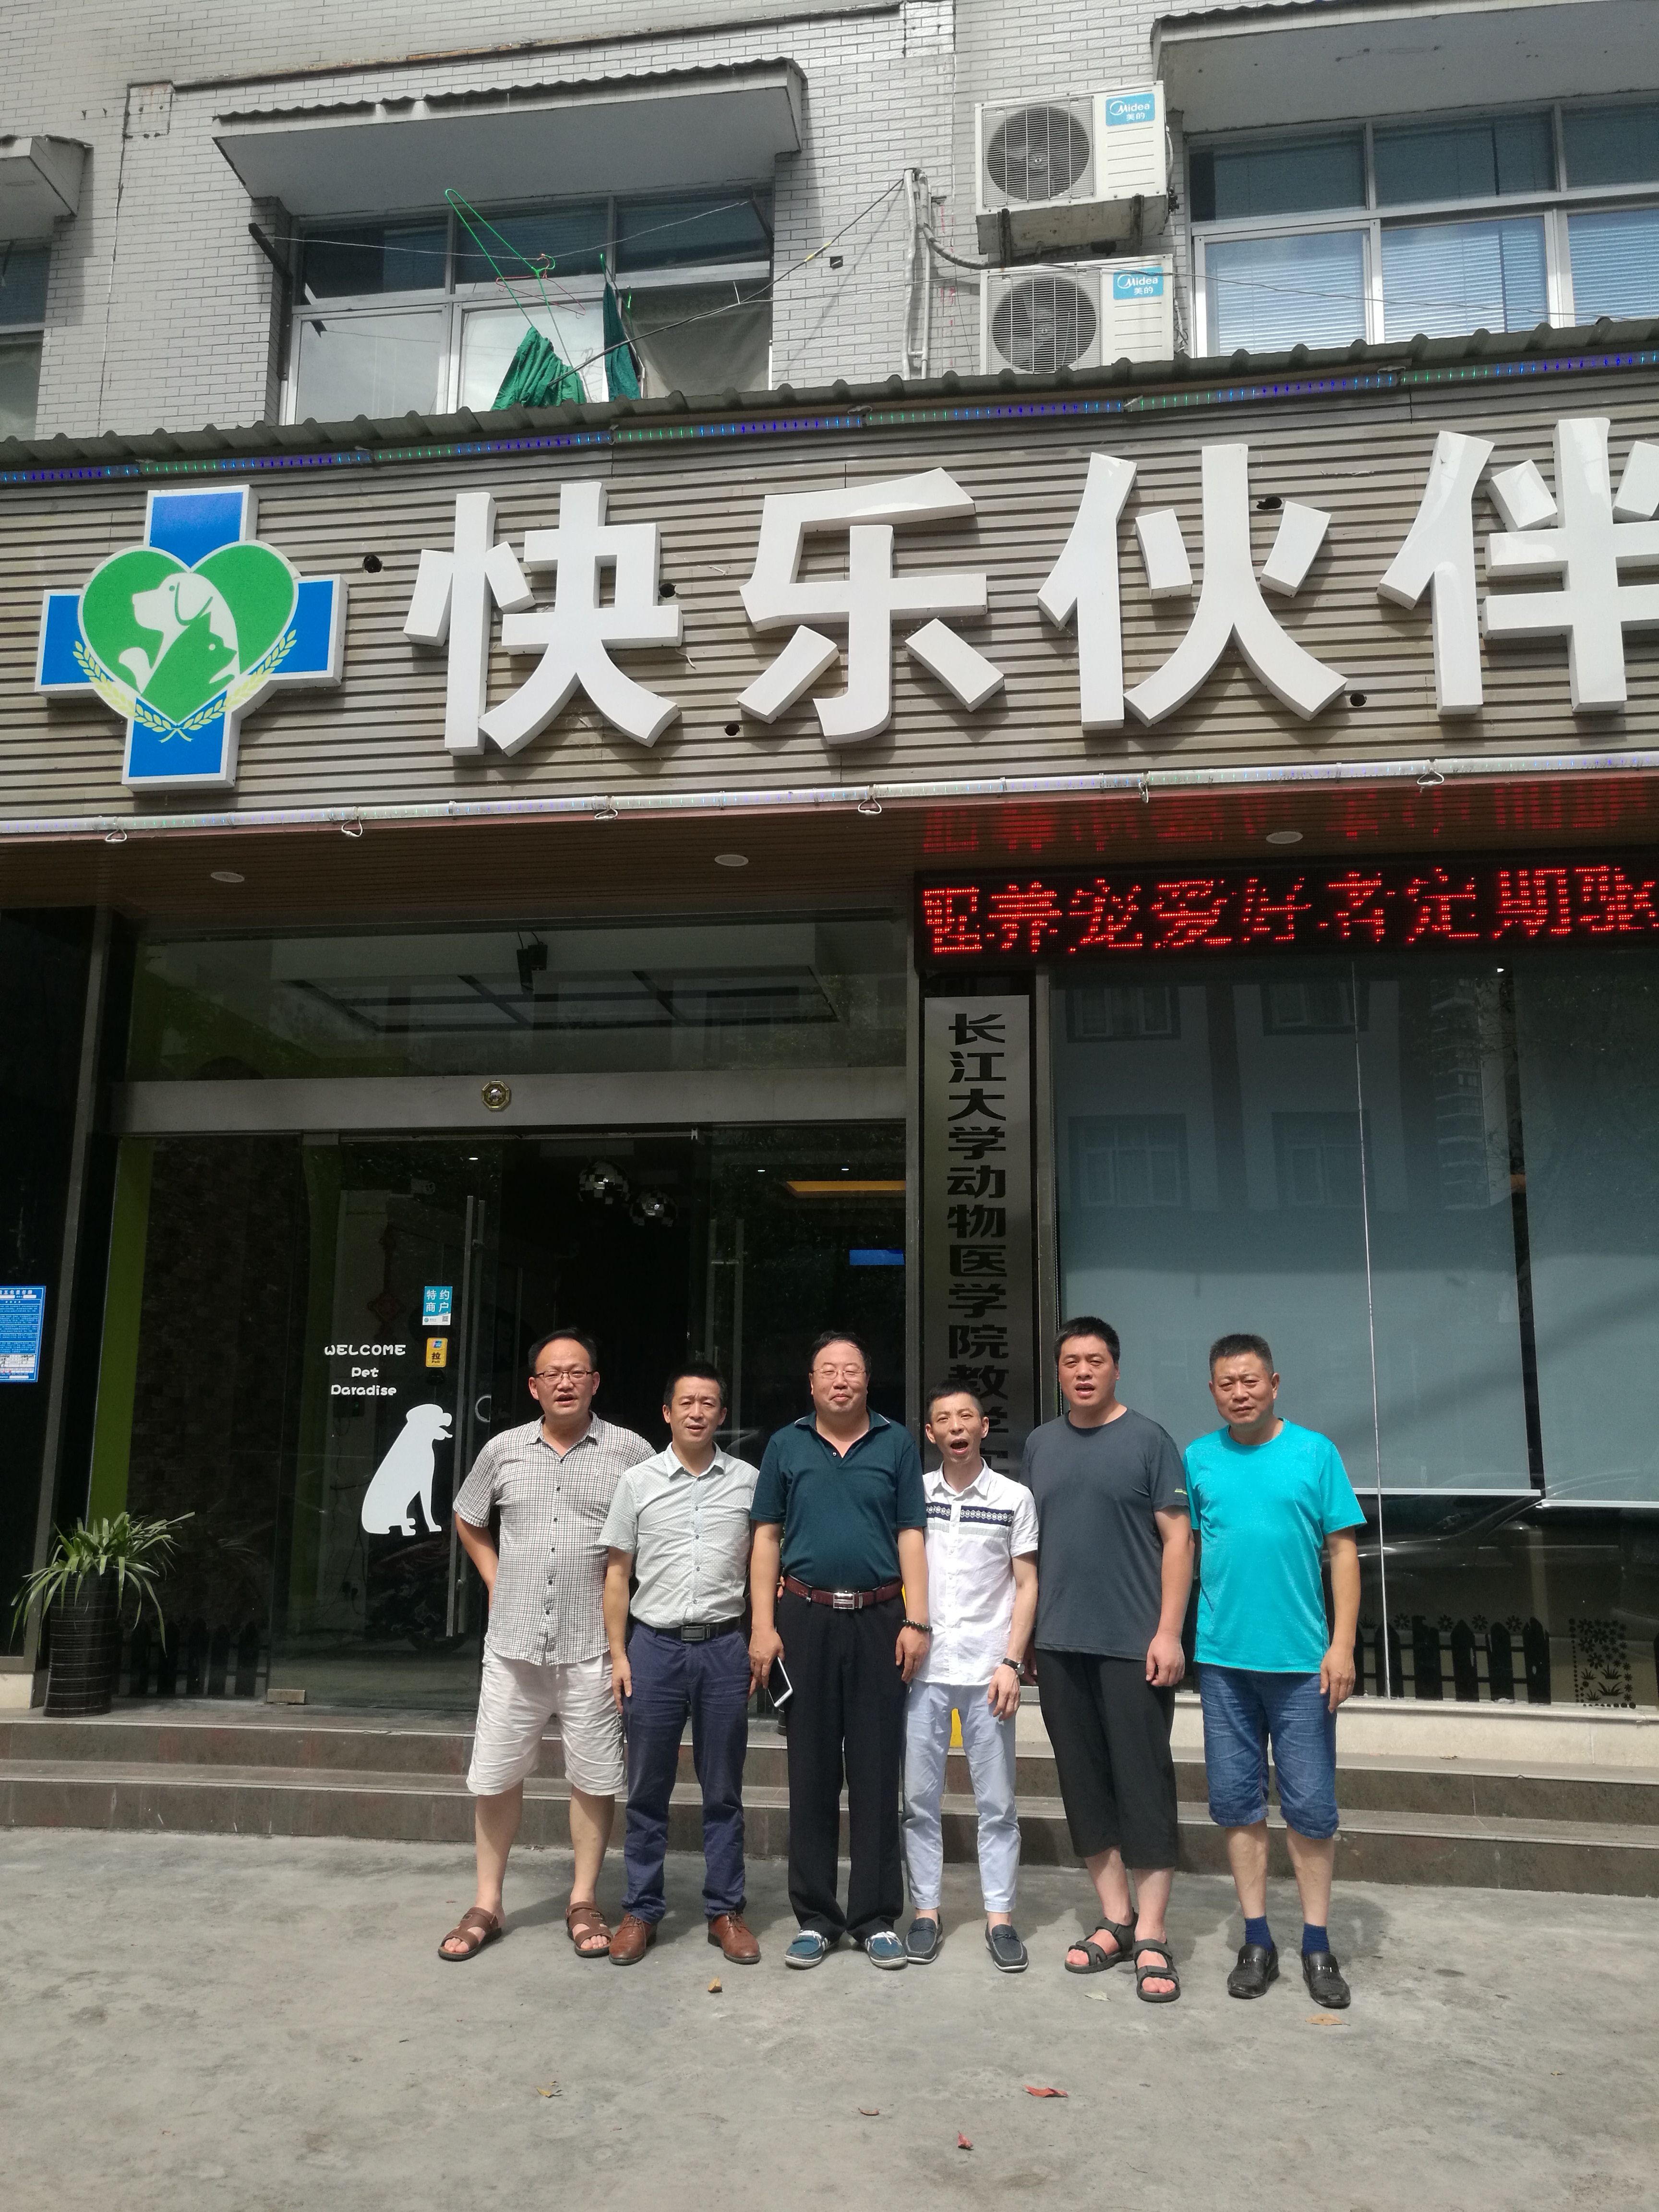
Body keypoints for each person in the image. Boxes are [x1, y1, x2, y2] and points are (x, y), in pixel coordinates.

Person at [437, 1329, 651, 1964]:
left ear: (595, 1382)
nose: (565, 1382)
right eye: (553, 1373)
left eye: (577, 1371)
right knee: (498, 1774)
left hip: (593, 1646)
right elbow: (468, 1516)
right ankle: (488, 1902)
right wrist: (495, 1578)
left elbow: (657, 1523)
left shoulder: (629, 1451)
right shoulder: (503, 1450)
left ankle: (583, 1899)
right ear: (534, 1386)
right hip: (514, 1644)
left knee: (594, 1775)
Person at [1184, 1333, 1364, 2009]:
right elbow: (1185, 1551)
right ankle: (1256, 1940)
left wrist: (1342, 1645)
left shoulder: (1316, 1453)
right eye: (1227, 1383)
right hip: (1224, 1662)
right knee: (1237, 1804)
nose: (1240, 1393)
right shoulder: (1198, 1458)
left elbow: (1343, 1553)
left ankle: (1317, 1944)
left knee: (1311, 1808)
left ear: (1275, 1383)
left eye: (1251, 1380)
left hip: (1301, 1665)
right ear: (1213, 1391)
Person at [1021, 1317, 1192, 2004]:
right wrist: (1026, 1638)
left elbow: (1178, 1540)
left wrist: (1169, 1632)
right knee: (1083, 1783)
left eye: (1095, 1360)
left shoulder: (1150, 1441)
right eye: (1071, 1361)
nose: (1083, 1371)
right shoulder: (1040, 1445)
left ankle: (1153, 1930)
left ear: (1116, 1369)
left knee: (1143, 1784)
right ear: (1059, 1372)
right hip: (1059, 1643)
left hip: (1133, 1645)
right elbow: (1029, 1550)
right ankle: (1116, 1917)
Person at [748, 1330, 931, 1971]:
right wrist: (763, 1625)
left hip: (881, 1619)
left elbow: (911, 1533)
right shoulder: (786, 1444)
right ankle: (817, 1918)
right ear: (811, 1383)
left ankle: (875, 1917)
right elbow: (765, 1537)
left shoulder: (896, 1443)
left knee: (878, 1770)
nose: (840, 1380)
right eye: (828, 1370)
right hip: (805, 1619)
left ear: (867, 1380)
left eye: (851, 1370)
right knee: (812, 1771)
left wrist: (918, 1618)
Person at [601, 1362, 761, 1967]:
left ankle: (725, 1910)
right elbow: (618, 1574)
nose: (698, 1412)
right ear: (667, 1413)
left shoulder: (748, 1482)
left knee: (724, 1790)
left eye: (709, 1403)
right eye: (686, 1403)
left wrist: (760, 1636)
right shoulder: (637, 1482)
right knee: (646, 1789)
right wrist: (619, 1654)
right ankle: (641, 1910)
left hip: (723, 1648)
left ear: (723, 1414)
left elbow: (763, 1565)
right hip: (654, 1648)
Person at [902, 1383, 1039, 1972]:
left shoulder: (1014, 1497)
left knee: (998, 1804)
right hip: (924, 1672)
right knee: (918, 1801)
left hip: (989, 1671)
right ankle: (926, 1913)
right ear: (930, 1433)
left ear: (984, 1427)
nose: (956, 1426)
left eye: (966, 1417)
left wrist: (1012, 1662)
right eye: (944, 1419)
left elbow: (1027, 1585)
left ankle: (1000, 1919)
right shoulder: (913, 1495)